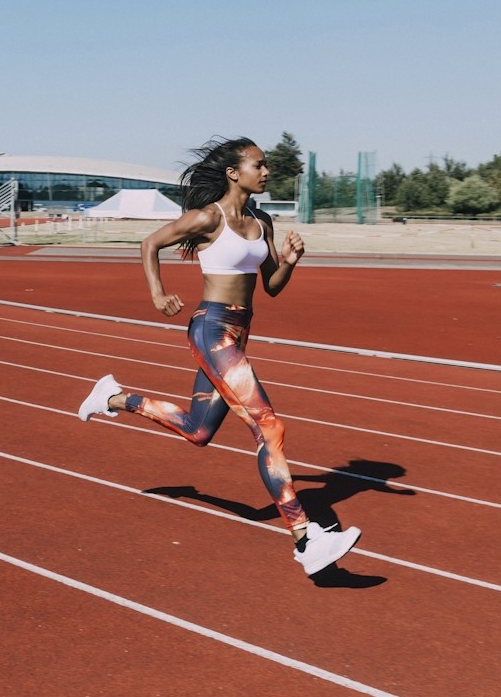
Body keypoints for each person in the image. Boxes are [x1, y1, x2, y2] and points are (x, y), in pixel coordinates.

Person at [77, 136, 360, 576]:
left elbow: (272, 286)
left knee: (198, 430)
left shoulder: (261, 221)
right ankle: (306, 537)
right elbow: (149, 244)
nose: (267, 172)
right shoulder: (209, 218)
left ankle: (112, 398)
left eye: (266, 166)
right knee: (268, 424)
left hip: (238, 332)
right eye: (259, 165)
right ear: (234, 173)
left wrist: (289, 261)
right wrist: (158, 293)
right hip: (210, 329)